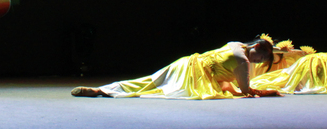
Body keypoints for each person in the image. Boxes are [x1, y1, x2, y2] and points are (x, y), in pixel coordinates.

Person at [70, 35, 282, 99]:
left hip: (186, 63)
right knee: (153, 89)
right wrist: (269, 92)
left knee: (148, 82)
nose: (259, 61)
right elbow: (246, 91)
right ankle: (103, 91)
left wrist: (278, 49)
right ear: (256, 47)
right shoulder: (243, 62)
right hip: (194, 78)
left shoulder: (235, 44)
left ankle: (101, 89)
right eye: (262, 57)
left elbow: (225, 75)